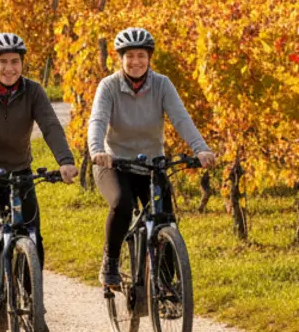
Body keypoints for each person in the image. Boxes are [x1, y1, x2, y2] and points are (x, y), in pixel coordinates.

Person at [0, 32, 78, 299]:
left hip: (19, 172)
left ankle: (33, 302)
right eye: (3, 62)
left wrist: (65, 161)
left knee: (32, 234)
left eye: (15, 62)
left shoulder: (33, 91)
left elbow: (51, 126)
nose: (10, 68)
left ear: (22, 63)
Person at [87, 27, 217, 287]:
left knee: (166, 219)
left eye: (141, 56)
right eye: (130, 56)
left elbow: (181, 118)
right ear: (120, 58)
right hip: (115, 164)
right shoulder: (109, 86)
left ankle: (167, 287)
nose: (136, 62)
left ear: (149, 58)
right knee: (122, 203)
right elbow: (98, 120)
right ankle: (110, 262)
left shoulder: (162, 84)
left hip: (151, 164)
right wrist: (96, 150)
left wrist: (200, 148)